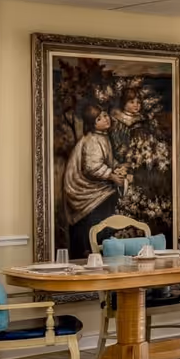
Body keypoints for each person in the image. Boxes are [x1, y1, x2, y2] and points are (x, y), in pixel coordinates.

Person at [62, 107, 130, 255]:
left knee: (104, 221)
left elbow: (107, 161)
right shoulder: (92, 140)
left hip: (98, 188)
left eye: (105, 115)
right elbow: (92, 167)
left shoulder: (102, 136)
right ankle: (92, 254)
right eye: (99, 118)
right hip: (86, 191)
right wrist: (112, 176)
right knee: (93, 224)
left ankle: (103, 252)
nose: (106, 119)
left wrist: (119, 167)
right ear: (92, 124)